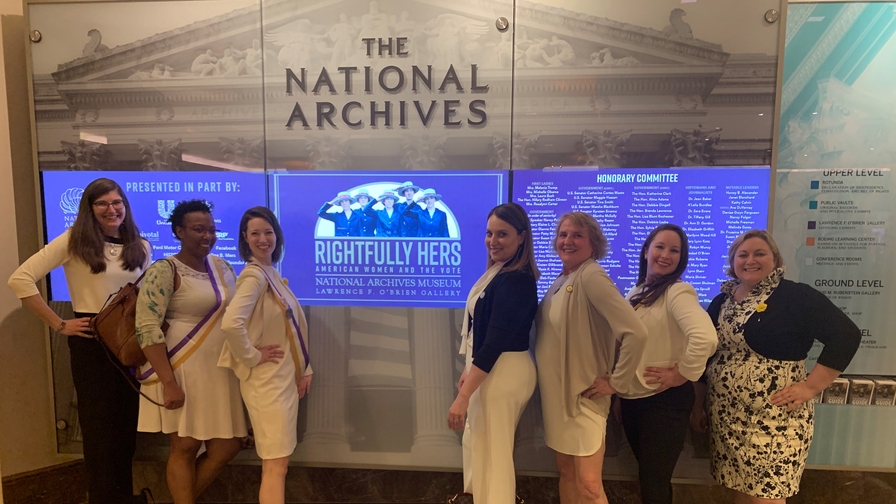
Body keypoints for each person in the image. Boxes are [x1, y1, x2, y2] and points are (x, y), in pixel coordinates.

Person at [7, 178, 152, 504]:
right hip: (92, 344)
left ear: (125, 206)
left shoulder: (140, 246)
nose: (111, 209)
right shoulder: (75, 241)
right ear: (90, 208)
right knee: (99, 432)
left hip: (130, 344)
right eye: (102, 203)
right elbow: (20, 279)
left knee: (125, 433)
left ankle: (123, 498)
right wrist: (59, 324)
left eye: (117, 202)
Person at [691, 230, 861, 504]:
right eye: (742, 255)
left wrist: (811, 386)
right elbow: (707, 356)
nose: (750, 260)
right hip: (726, 417)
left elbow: (846, 335)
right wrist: (697, 405)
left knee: (766, 497)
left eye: (760, 254)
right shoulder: (722, 302)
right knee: (740, 493)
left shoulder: (795, 296)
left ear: (775, 259)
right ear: (733, 261)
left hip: (775, 421)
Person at [135, 200, 247, 504]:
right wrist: (168, 383)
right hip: (182, 368)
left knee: (228, 445)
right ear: (179, 231)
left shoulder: (221, 266)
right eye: (199, 229)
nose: (207, 236)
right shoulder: (164, 269)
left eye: (212, 230)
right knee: (185, 445)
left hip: (220, 368)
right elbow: (146, 327)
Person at [535, 211, 648, 504]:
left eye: (577, 235)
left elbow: (636, 332)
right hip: (558, 399)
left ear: (593, 244)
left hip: (582, 398)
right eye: (563, 234)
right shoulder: (562, 278)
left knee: (588, 483)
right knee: (567, 471)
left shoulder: (592, 275)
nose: (568, 241)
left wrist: (617, 382)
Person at [618, 224, 717, 504]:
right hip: (634, 399)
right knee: (650, 480)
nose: (665, 254)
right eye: (660, 246)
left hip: (663, 401)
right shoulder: (637, 291)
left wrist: (683, 374)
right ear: (646, 250)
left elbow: (705, 337)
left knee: (654, 483)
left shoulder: (677, 291)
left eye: (674, 250)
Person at [447, 202, 539, 504]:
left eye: (503, 234)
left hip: (504, 372)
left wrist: (462, 397)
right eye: (489, 233)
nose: (493, 241)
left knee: (494, 454)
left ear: (521, 237)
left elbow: (495, 341)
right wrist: (468, 374)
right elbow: (481, 332)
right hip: (490, 370)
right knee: (479, 448)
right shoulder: (499, 272)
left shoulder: (518, 280)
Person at [220, 207, 312, 504]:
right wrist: (252, 356)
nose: (263, 239)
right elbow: (231, 324)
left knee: (278, 463)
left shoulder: (270, 274)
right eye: (255, 233)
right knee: (275, 465)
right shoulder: (254, 277)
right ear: (245, 239)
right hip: (266, 384)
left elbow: (291, 329)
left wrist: (304, 369)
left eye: (268, 232)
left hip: (280, 381)